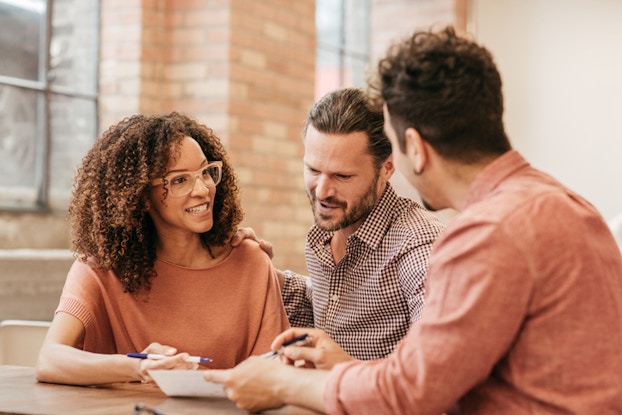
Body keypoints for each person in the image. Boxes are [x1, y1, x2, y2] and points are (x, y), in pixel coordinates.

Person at [204, 27, 622, 414]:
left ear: (414, 149)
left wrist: (280, 384)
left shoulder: (487, 232)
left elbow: (412, 390)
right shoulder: (565, 205)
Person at [35, 112, 289, 386]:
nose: (203, 189)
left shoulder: (250, 261)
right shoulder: (101, 268)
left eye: (205, 172)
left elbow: (273, 375)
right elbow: (50, 360)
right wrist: (138, 367)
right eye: (180, 180)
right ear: (141, 196)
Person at [240, 87, 445, 361]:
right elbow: (331, 309)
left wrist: (342, 369)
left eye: (342, 176)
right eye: (313, 170)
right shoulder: (324, 237)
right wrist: (259, 270)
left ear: (387, 167)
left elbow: (433, 365)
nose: (322, 191)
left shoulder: (419, 244)